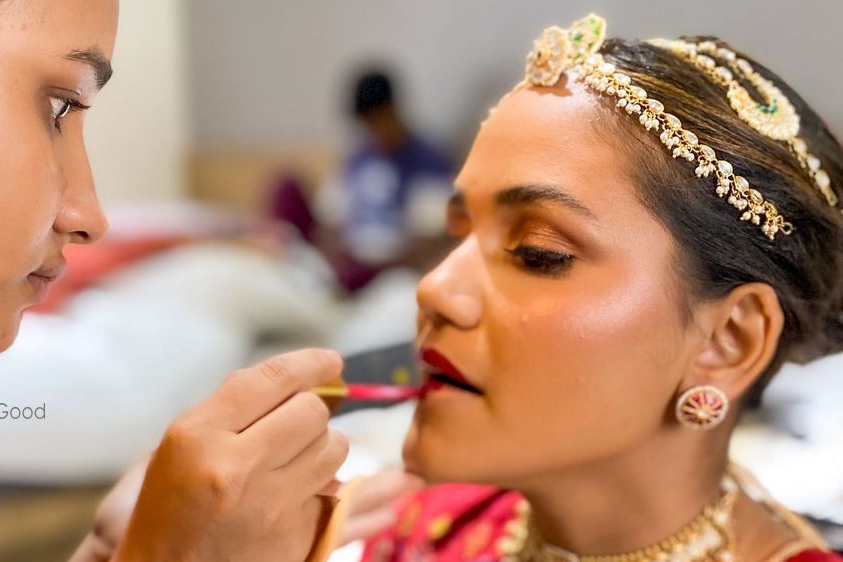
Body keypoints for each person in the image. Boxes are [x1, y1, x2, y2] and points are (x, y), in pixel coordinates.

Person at [0, 1, 347, 560]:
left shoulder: (257, 273)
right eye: (58, 107)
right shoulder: (209, 245)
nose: (90, 217)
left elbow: (327, 306)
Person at [354, 14, 843, 562]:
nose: (435, 288)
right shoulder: (417, 533)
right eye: (458, 235)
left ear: (728, 340)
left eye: (538, 253)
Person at [271, 70, 455, 292]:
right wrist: (335, 253)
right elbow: (329, 220)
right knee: (287, 186)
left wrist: (375, 269)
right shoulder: (357, 157)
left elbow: (428, 240)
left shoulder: (428, 163)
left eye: (376, 121)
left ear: (392, 111)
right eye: (366, 124)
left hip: (389, 267)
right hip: (347, 258)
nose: (372, 131)